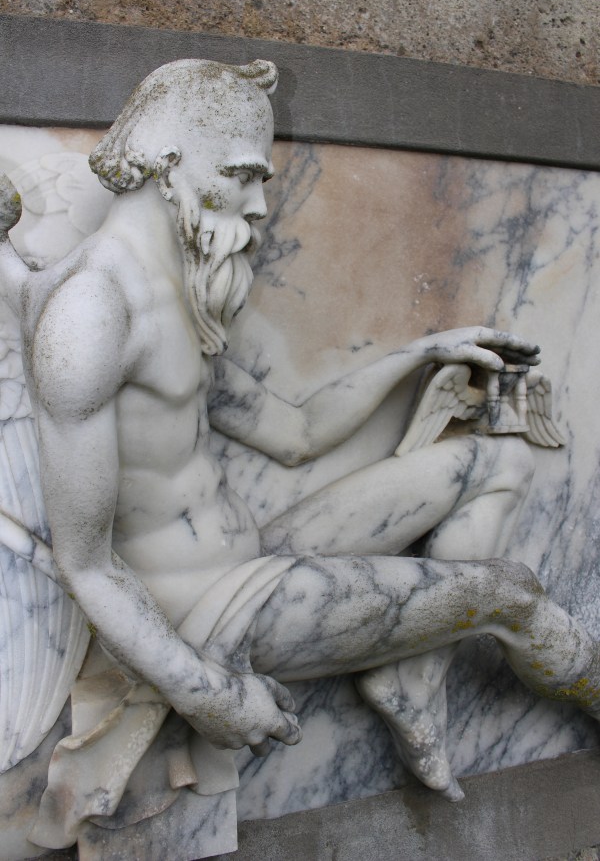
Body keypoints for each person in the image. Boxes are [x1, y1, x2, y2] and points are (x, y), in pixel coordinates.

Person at [3, 58, 599, 846]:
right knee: (512, 594)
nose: (258, 204)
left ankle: (409, 677)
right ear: (170, 163)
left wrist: (423, 352)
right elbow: (86, 565)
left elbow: (296, 433)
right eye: (242, 176)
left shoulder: (177, 289)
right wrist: (206, 692)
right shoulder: (90, 312)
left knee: (500, 463)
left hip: (251, 559)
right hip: (209, 617)